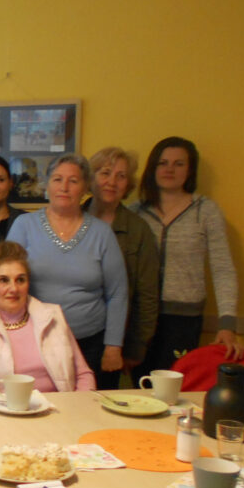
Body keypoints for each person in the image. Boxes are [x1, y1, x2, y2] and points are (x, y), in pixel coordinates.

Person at [7, 153, 128, 380]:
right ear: (46, 185)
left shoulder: (102, 233)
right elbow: (5, 284)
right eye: (57, 179)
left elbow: (118, 293)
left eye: (73, 181)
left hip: (91, 343)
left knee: (91, 410)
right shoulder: (24, 226)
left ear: (84, 188)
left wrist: (113, 346)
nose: (64, 187)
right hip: (35, 340)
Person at [133, 137, 243, 374]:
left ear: (190, 169)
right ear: (153, 168)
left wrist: (227, 323)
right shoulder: (135, 212)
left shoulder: (206, 211)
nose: (169, 169)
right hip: (139, 316)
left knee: (174, 388)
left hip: (183, 320)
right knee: (139, 388)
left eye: (179, 163)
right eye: (162, 163)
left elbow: (223, 269)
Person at [84, 147, 160, 389]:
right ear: (90, 178)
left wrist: (136, 348)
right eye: (105, 173)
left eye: (121, 176)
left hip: (111, 342)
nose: (112, 182)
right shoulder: (68, 220)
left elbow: (147, 294)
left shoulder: (139, 230)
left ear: (128, 185)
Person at [0, 241, 94, 393]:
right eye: (3, 280)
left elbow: (84, 374)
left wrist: (75, 408)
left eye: (20, 280)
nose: (14, 288)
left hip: (62, 410)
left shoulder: (53, 316)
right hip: (9, 412)